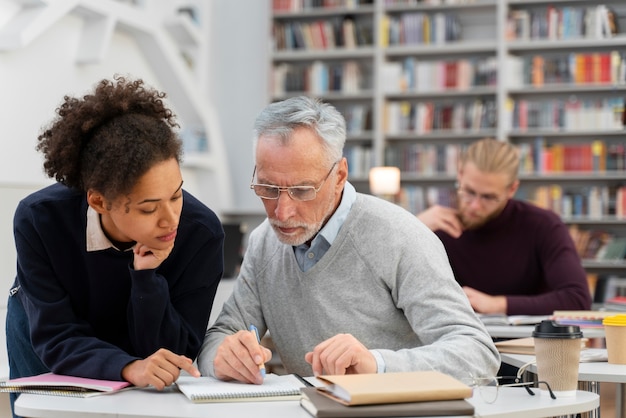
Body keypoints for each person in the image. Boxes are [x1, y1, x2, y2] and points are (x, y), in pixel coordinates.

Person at [197, 96, 500, 384]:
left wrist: (378, 366)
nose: (282, 212)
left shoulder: (399, 237)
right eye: (267, 188)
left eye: (303, 191)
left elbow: (478, 354)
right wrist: (222, 358)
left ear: (340, 175)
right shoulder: (265, 241)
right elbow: (222, 333)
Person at [6, 75, 224, 416]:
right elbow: (56, 335)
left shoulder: (201, 233)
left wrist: (147, 281)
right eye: (149, 208)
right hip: (49, 338)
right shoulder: (40, 220)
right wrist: (126, 367)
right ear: (99, 201)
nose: (170, 219)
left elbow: (175, 353)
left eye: (176, 194)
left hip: (132, 335)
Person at [417, 138, 592, 316]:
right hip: (451, 340)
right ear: (460, 175)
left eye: (488, 197)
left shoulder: (543, 226)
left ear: (512, 189)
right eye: (469, 192)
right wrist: (413, 228)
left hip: (524, 341)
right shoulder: (433, 226)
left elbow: (577, 300)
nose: (475, 205)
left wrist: (496, 305)